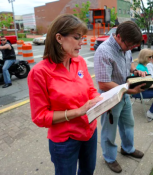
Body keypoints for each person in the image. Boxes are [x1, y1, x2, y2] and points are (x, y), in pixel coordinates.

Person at [27, 14, 103, 175]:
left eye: (82, 38)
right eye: (77, 38)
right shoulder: (40, 73)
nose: (81, 43)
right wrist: (78, 111)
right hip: (65, 140)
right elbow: (39, 117)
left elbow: (90, 89)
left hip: (89, 129)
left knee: (88, 170)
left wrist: (101, 100)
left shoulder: (79, 62)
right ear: (59, 38)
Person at [94, 21, 146, 173]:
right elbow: (103, 84)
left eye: (133, 47)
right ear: (118, 37)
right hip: (110, 97)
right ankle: (109, 158)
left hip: (123, 94)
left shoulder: (126, 46)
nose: (130, 49)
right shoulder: (104, 51)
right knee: (109, 130)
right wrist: (130, 91)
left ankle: (127, 148)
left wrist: (136, 71)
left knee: (128, 123)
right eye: (129, 46)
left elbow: (129, 62)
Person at [133, 49, 153, 120]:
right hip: (137, 91)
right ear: (145, 57)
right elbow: (141, 83)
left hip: (143, 89)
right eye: (150, 57)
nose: (151, 58)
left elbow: (147, 80)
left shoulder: (143, 66)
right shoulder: (140, 68)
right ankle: (151, 112)